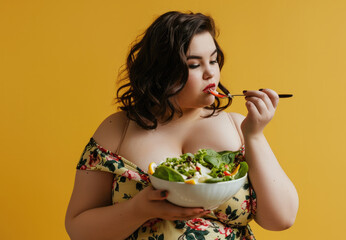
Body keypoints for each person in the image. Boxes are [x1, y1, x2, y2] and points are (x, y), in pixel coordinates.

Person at [65, 11, 299, 240]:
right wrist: (139, 209)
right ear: (161, 71)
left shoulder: (240, 127)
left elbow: (282, 219)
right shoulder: (118, 130)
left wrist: (254, 136)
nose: (211, 73)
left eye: (214, 60)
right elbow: (78, 229)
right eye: (194, 65)